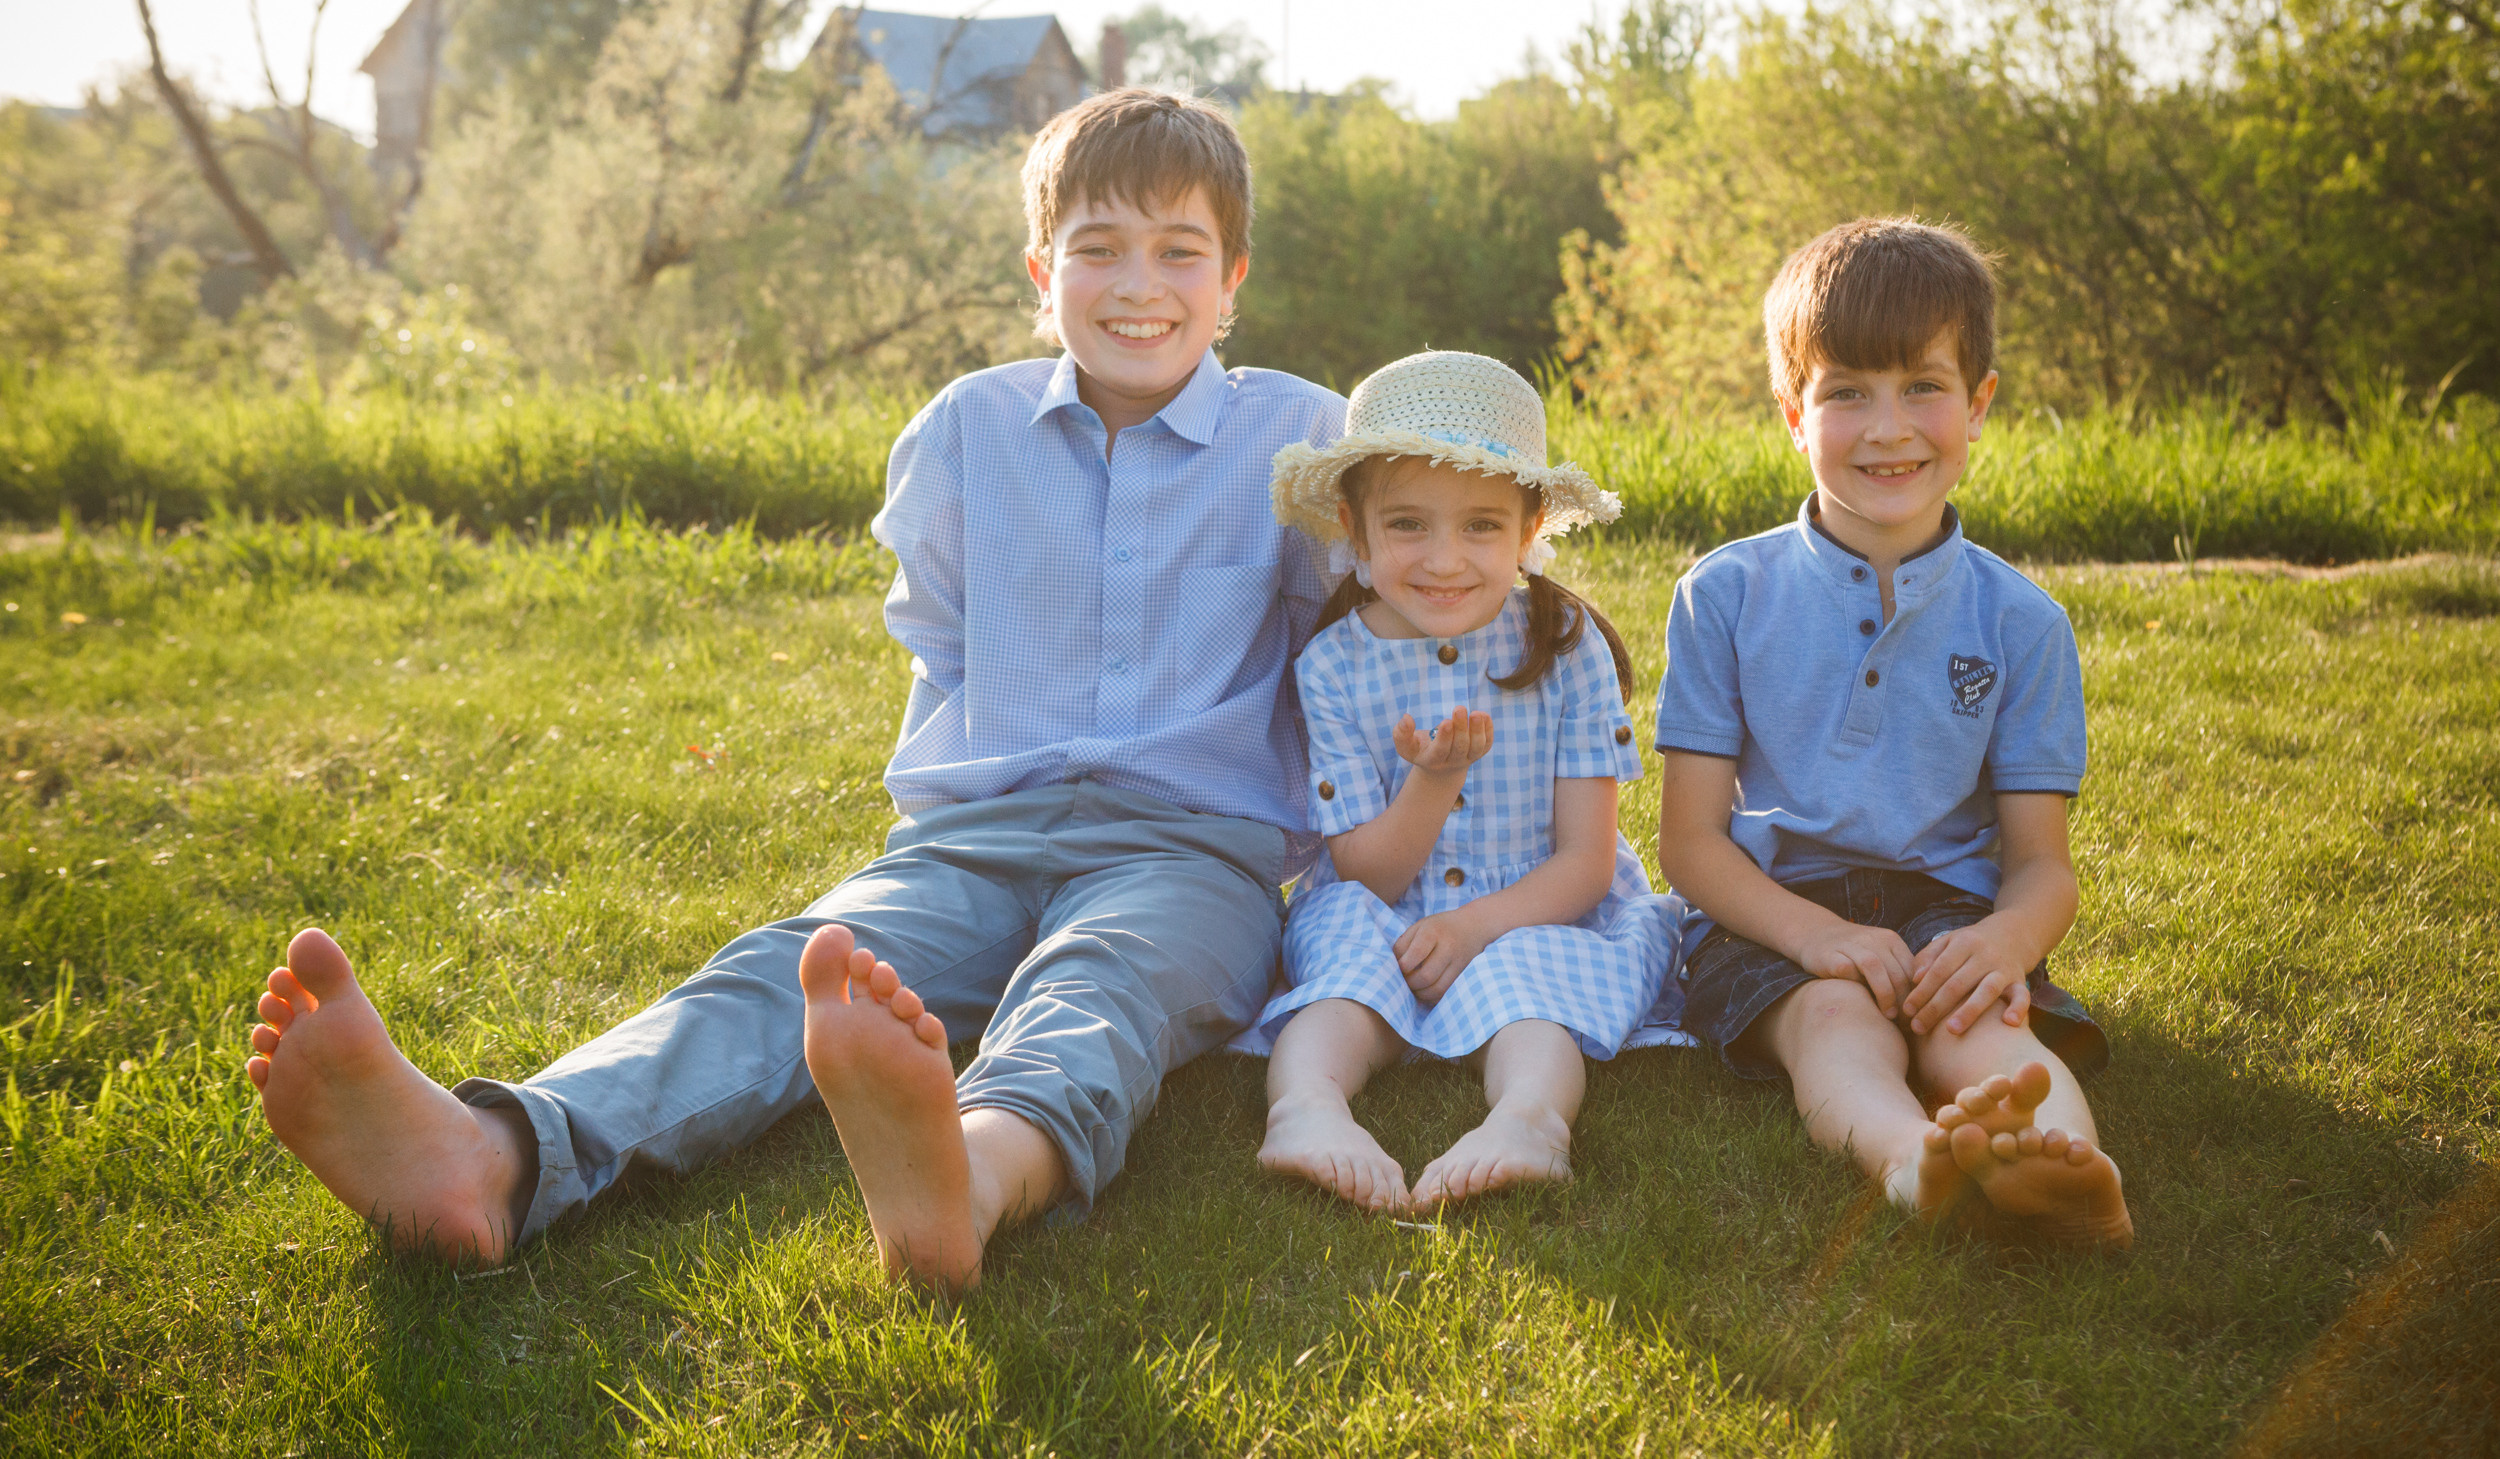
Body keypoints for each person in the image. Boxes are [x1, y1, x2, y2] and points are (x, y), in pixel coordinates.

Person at [244, 88, 1346, 1292]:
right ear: (1044, 271)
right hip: (977, 834)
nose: (1140, 283)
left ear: (1231, 278)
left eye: (1179, 251)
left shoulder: (1299, 441)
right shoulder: (965, 431)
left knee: (1105, 985)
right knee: (788, 971)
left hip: (1190, 851)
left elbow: (1363, 632)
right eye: (1099, 249)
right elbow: (944, 630)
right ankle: (493, 1155)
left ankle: (965, 1179)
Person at [1653, 217, 2132, 1247]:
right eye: (1845, 391)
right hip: (1777, 911)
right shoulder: (1724, 594)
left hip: (1949, 913)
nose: (1887, 427)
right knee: (1831, 1023)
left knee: (1986, 1026)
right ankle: (1911, 1160)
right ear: (1792, 412)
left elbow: (2044, 866)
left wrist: (2000, 942)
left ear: (1979, 402)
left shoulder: (2021, 621)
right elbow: (1689, 843)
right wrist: (1815, 936)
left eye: (1922, 385)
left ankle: (2067, 1168)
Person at [1240, 350, 1695, 1214]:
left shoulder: (1566, 649)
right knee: (1340, 988)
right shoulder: (1335, 663)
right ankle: (1307, 1108)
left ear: (1527, 533)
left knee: (1536, 995)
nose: (1445, 559)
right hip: (1383, 904)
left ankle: (1528, 1121)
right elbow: (1367, 872)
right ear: (1356, 531)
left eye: (1482, 526)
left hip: (1536, 901)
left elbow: (1587, 864)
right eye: (1408, 524)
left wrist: (1475, 926)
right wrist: (1431, 785)